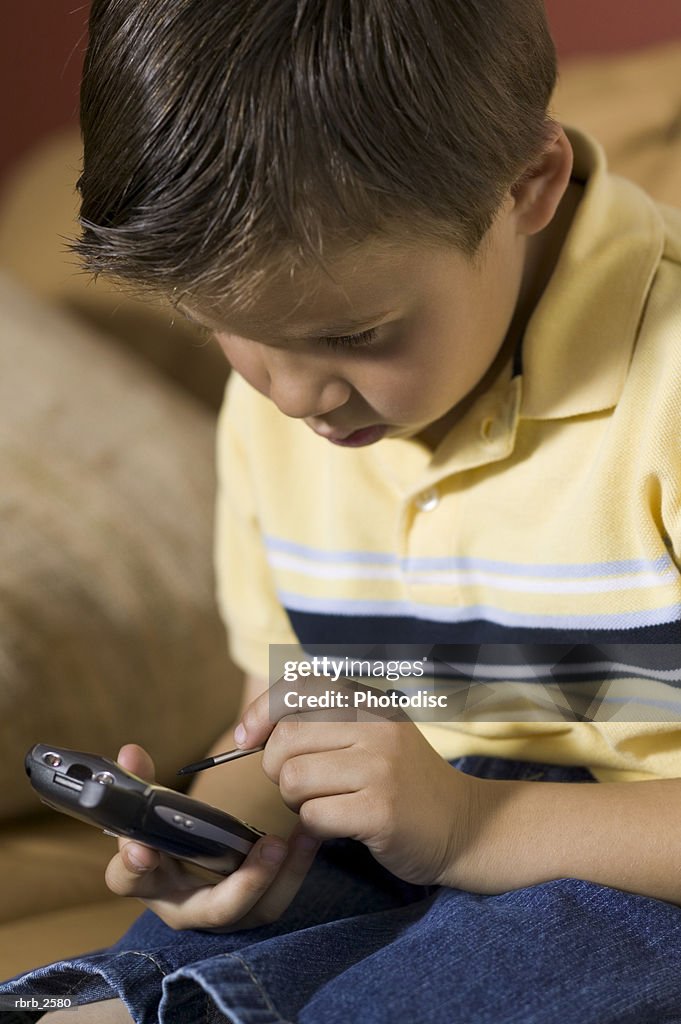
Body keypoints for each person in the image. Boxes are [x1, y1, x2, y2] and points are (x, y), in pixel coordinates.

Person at [3, 0, 681, 1021]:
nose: (294, 396)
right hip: (431, 813)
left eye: (357, 333)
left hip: (641, 856)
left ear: (528, 188)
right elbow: (306, 701)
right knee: (147, 980)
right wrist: (224, 822)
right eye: (230, 330)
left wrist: (474, 825)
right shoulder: (282, 410)